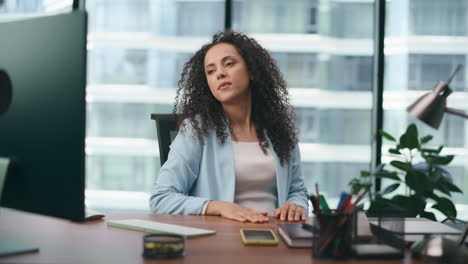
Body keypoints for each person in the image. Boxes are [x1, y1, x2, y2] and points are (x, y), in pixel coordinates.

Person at [149, 31, 309, 223]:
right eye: (211, 71)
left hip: (275, 236)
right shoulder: (196, 130)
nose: (220, 74)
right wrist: (218, 207)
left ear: (251, 71)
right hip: (221, 240)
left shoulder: (279, 130)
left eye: (229, 64)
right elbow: (161, 198)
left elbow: (297, 191)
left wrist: (296, 206)